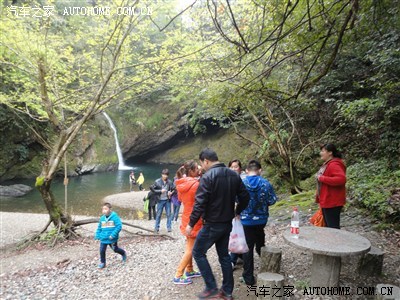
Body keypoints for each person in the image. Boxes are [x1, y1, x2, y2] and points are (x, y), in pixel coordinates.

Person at [186, 148, 250, 300]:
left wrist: (190, 224)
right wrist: (237, 210)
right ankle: (227, 292)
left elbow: (199, 203)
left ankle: (211, 287)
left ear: (206, 161)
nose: (202, 167)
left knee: (198, 252)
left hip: (212, 224)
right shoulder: (233, 174)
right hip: (227, 223)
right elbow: (245, 196)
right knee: (224, 257)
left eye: (202, 164)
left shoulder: (208, 177)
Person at [240, 160, 277, 285]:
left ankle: (248, 277)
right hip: (261, 219)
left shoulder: (242, 183)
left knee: (247, 246)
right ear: (260, 170)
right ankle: (267, 266)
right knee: (260, 238)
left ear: (246, 171)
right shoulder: (266, 183)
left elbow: (235, 199)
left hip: (246, 220)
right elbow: (272, 200)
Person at [173, 160, 203, 285]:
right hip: (194, 219)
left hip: (186, 216)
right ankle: (178, 274)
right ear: (191, 171)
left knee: (189, 244)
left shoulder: (181, 183)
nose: (198, 170)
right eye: (196, 168)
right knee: (191, 248)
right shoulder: (196, 185)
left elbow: (180, 199)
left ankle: (189, 270)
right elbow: (201, 201)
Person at [316, 143, 346, 229]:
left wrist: (322, 178)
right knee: (329, 227)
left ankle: (337, 242)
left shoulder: (334, 164)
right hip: (327, 200)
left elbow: (341, 179)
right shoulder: (327, 164)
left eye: (323, 151)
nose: (320, 153)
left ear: (330, 152)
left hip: (333, 201)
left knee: (333, 228)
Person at [95, 203, 126, 269]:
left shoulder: (114, 217)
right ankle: (103, 262)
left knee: (115, 249)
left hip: (112, 238)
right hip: (103, 238)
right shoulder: (102, 218)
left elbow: (119, 226)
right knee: (102, 250)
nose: (104, 210)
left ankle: (123, 253)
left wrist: (113, 235)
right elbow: (99, 228)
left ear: (110, 209)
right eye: (103, 209)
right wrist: (97, 236)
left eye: (105, 209)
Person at [228, 159, 246, 269]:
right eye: (232, 167)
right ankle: (242, 256)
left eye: (236, 166)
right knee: (236, 234)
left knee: (238, 235)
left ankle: (232, 259)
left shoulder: (243, 179)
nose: (234, 169)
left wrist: (238, 210)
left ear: (240, 168)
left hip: (241, 211)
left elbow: (244, 197)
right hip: (232, 211)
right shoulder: (228, 179)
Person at [151, 169, 174, 233]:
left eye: (166, 175)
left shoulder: (170, 182)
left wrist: (171, 192)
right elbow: (152, 190)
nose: (165, 176)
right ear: (161, 174)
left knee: (169, 214)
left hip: (167, 200)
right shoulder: (157, 181)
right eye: (164, 174)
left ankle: (169, 227)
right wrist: (160, 191)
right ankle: (156, 228)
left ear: (168, 175)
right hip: (160, 200)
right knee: (158, 214)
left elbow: (174, 189)